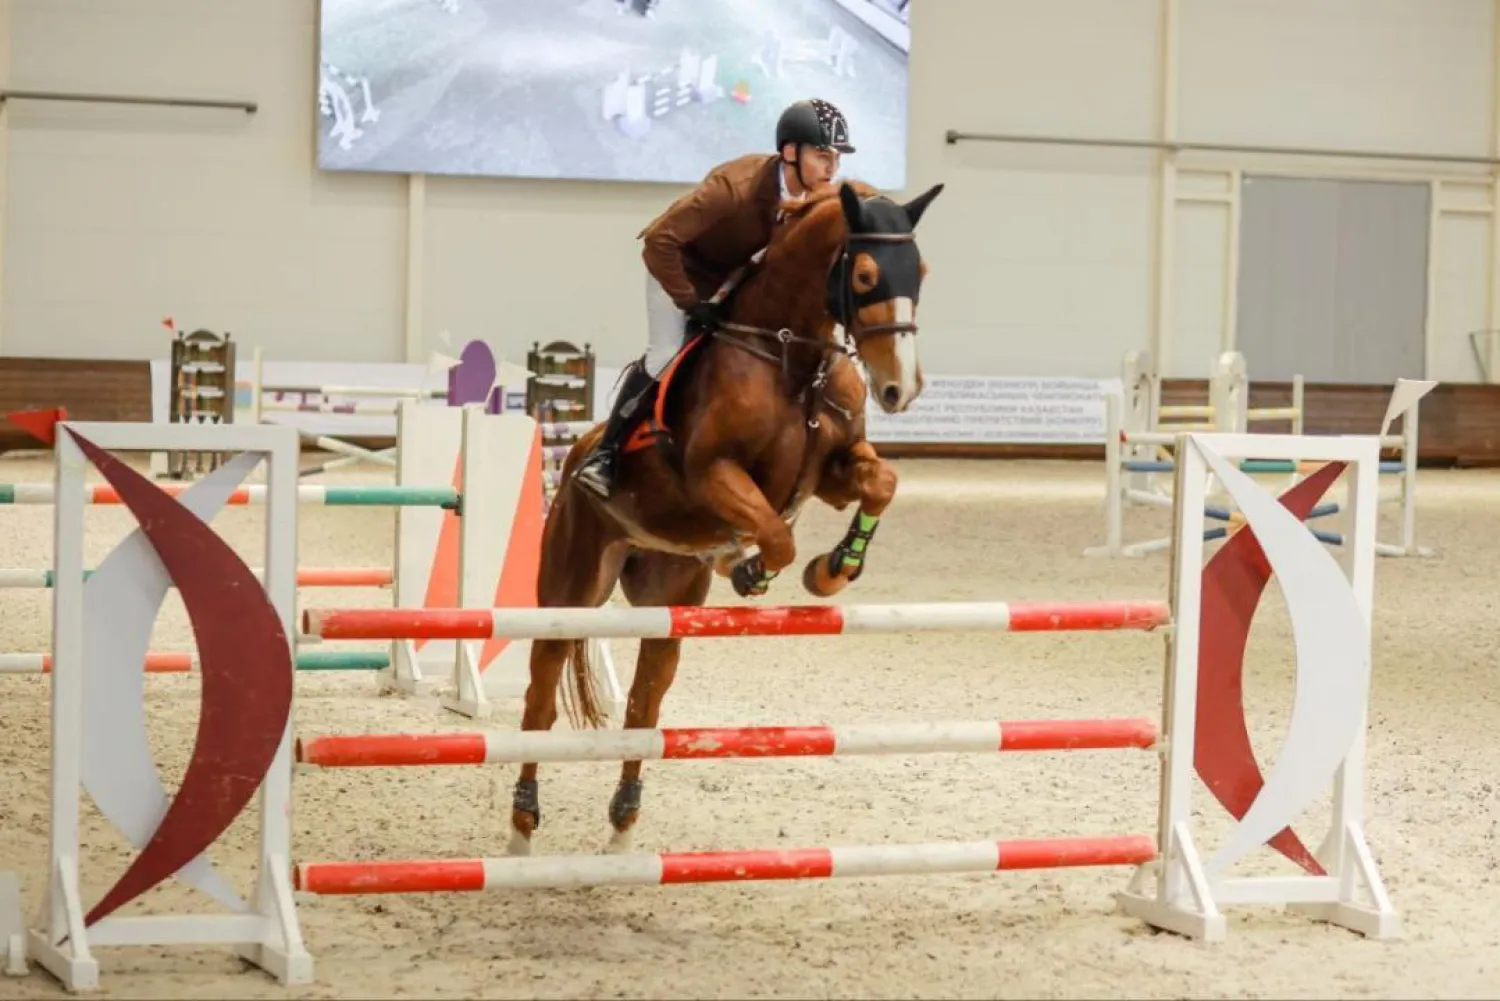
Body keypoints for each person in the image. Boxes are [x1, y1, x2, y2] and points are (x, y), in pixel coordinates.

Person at [573, 98, 856, 500]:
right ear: (790, 152)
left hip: (731, 277)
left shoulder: (815, 198)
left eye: (836, 159)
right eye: (822, 156)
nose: (831, 169)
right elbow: (659, 242)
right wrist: (689, 303)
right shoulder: (733, 190)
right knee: (666, 351)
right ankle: (606, 455)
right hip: (679, 270)